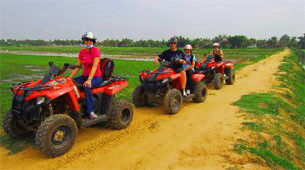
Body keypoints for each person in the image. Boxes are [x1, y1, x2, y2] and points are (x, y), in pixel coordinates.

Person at [68, 32, 103, 119]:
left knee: (87, 86)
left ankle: (90, 111)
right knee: (69, 84)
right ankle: (74, 106)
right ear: (83, 41)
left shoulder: (95, 51)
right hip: (84, 76)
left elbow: (94, 66)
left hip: (96, 77)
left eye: (90, 41)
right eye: (86, 40)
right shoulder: (82, 52)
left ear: (93, 42)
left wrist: (89, 79)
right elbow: (78, 67)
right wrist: (69, 78)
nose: (88, 42)